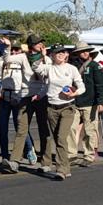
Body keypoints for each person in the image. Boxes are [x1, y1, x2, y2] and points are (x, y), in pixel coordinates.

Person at [31, 45, 85, 181]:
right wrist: (41, 55)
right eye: (57, 53)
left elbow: (81, 86)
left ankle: (61, 170)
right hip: (51, 107)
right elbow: (35, 67)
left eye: (62, 52)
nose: (60, 54)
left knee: (61, 137)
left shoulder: (71, 69)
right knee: (57, 139)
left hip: (67, 107)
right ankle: (66, 168)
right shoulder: (49, 68)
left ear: (66, 55)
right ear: (52, 56)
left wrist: (75, 93)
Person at [0, 35, 51, 173]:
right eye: (37, 43)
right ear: (30, 45)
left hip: (41, 96)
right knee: (21, 129)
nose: (40, 44)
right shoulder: (23, 57)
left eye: (41, 42)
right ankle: (14, 161)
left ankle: (46, 162)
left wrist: (44, 58)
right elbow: (7, 60)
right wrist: (8, 47)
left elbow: (48, 77)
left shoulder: (47, 58)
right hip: (26, 97)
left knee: (43, 129)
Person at [0, 41, 36, 168]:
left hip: (19, 97)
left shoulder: (24, 63)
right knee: (2, 129)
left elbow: (31, 77)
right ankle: (5, 156)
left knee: (20, 127)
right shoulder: (3, 64)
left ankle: (29, 150)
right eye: (12, 50)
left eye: (17, 50)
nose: (14, 52)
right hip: (4, 97)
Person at [71, 42, 103, 167]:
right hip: (74, 102)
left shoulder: (94, 66)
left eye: (87, 50)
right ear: (77, 53)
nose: (85, 53)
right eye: (82, 51)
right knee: (71, 129)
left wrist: (100, 102)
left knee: (89, 130)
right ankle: (71, 155)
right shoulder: (72, 66)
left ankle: (89, 155)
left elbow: (101, 85)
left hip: (90, 103)